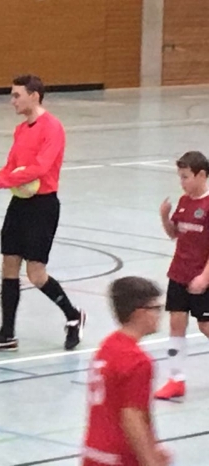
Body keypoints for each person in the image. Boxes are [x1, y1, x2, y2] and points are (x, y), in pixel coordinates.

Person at [0, 75, 85, 352]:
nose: (12, 101)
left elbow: (40, 167)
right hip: (20, 204)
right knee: (9, 265)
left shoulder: (53, 128)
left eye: (16, 95)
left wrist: (3, 181)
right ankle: (7, 333)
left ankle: (73, 316)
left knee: (36, 273)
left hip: (42, 206)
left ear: (34, 95)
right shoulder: (21, 129)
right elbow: (12, 165)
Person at [83, 277, 170, 466]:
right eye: (156, 308)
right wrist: (150, 460)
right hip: (119, 457)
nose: (160, 314)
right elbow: (133, 417)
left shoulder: (107, 346)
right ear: (140, 313)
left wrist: (153, 444)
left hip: (93, 453)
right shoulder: (138, 361)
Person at [154, 151, 209, 400]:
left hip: (201, 276)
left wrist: (204, 278)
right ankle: (175, 379)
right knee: (176, 324)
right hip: (179, 273)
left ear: (201, 175)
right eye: (180, 177)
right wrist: (165, 217)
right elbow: (174, 234)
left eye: (186, 177)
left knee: (205, 326)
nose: (182, 182)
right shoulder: (184, 201)